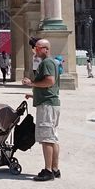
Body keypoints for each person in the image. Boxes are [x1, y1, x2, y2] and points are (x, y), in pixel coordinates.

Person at [22, 38, 61, 181]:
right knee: (53, 138)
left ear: (46, 49)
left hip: (47, 105)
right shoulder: (52, 63)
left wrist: (31, 83)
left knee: (46, 139)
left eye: (38, 48)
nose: (35, 50)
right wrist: (34, 95)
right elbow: (51, 86)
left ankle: (48, 170)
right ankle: (55, 169)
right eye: (35, 48)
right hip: (50, 102)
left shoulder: (47, 63)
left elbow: (49, 81)